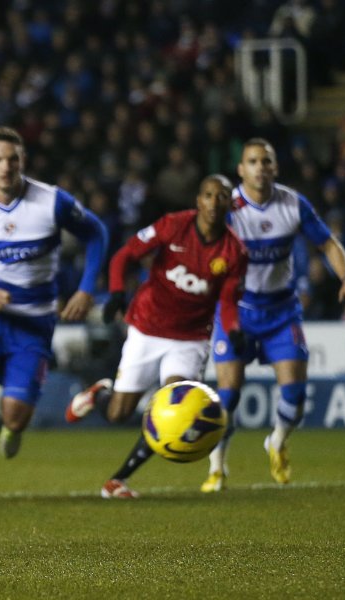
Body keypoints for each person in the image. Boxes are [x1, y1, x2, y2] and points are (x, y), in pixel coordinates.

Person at [0, 126, 108, 506]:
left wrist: (86, 288)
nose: (6, 167)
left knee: (13, 415)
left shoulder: (52, 202)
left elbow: (97, 234)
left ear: (22, 161)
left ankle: (12, 430)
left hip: (34, 322)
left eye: (13, 159)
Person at [65, 174, 247, 499]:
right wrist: (118, 294)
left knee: (176, 411)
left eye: (221, 197)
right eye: (208, 195)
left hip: (191, 339)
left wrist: (233, 333)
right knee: (117, 413)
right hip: (148, 326)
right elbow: (124, 255)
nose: (213, 202)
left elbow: (229, 302)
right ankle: (100, 394)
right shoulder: (173, 225)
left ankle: (117, 480)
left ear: (230, 204)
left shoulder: (234, 251)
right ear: (198, 200)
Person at [202, 138, 345, 492]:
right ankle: (217, 468)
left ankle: (276, 442)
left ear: (275, 167)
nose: (261, 167)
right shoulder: (228, 209)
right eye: (253, 161)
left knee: (295, 394)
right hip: (237, 312)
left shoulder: (292, 204)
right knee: (227, 395)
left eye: (267, 161)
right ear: (241, 170)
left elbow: (328, 244)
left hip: (281, 312)